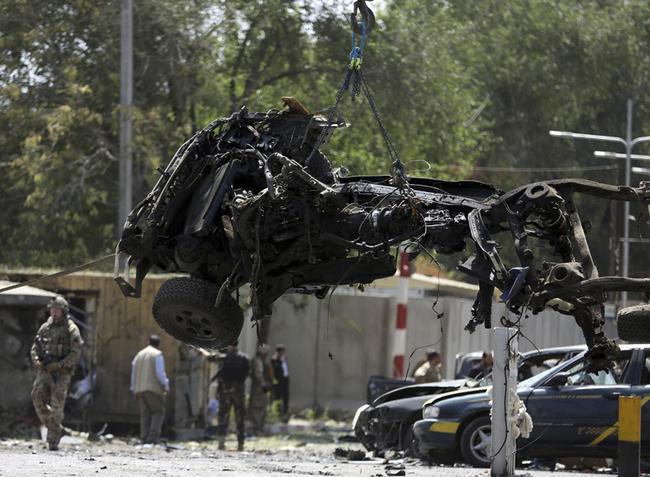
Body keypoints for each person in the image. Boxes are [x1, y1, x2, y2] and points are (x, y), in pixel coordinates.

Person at [30, 296, 84, 451]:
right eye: (52, 309)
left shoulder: (70, 328)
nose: (54, 312)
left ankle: (52, 439)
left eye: (57, 310)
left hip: (62, 372)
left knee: (57, 405)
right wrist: (37, 361)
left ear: (63, 311)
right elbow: (35, 347)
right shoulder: (45, 327)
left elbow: (76, 351)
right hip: (45, 369)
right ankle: (56, 428)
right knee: (37, 397)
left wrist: (60, 364)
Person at [131, 334, 170, 445]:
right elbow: (160, 373)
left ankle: (144, 438)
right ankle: (153, 439)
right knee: (158, 412)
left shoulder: (139, 355)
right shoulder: (157, 354)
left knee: (145, 414)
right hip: (153, 388)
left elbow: (133, 374)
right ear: (158, 345)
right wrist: (166, 386)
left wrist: (134, 389)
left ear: (148, 343)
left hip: (140, 389)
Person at [213, 340, 249, 451]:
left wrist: (201, 350)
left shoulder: (224, 357)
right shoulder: (244, 358)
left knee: (223, 416)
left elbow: (211, 358)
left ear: (229, 346)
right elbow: (248, 372)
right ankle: (240, 444)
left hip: (226, 393)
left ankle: (221, 443)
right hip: (239, 392)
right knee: (240, 418)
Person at [248, 344, 272, 436]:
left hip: (260, 388)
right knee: (257, 409)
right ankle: (257, 430)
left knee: (261, 408)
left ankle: (260, 429)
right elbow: (258, 375)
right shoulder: (258, 361)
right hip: (258, 389)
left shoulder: (260, 360)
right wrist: (264, 385)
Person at [271, 344, 290, 418]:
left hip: (285, 380)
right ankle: (277, 413)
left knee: (286, 397)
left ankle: (285, 413)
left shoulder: (284, 358)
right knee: (278, 397)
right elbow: (275, 369)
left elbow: (286, 370)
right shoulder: (275, 359)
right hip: (278, 381)